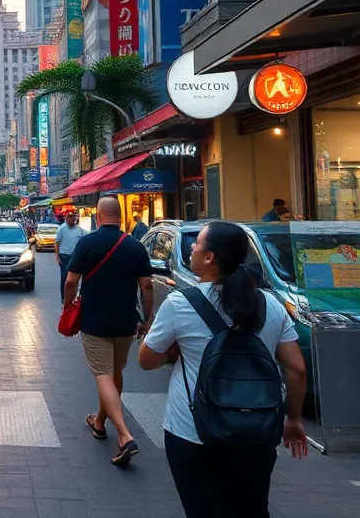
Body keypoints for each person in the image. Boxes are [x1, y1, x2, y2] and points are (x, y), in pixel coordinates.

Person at [138, 220, 307, 515]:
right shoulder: (270, 305)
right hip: (257, 431)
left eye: (197, 243)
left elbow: (146, 360)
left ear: (209, 257)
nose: (191, 247)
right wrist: (293, 419)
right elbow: (296, 370)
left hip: (193, 431)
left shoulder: (180, 304)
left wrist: (173, 353)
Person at [65, 196, 153, 466]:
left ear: (98, 217)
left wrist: (67, 304)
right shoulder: (135, 246)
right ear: (120, 216)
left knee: (103, 377)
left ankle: (124, 435)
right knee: (115, 374)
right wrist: (147, 320)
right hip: (127, 322)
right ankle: (99, 421)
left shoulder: (87, 243)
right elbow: (147, 287)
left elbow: (71, 281)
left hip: (95, 321)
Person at [55, 211, 87, 302]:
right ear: (66, 218)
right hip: (64, 256)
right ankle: (64, 298)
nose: (73, 218)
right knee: (65, 278)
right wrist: (57, 257)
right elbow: (57, 243)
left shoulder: (80, 230)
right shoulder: (61, 229)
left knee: (75, 278)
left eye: (74, 217)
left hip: (75, 256)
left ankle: (74, 297)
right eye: (70, 217)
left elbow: (87, 237)